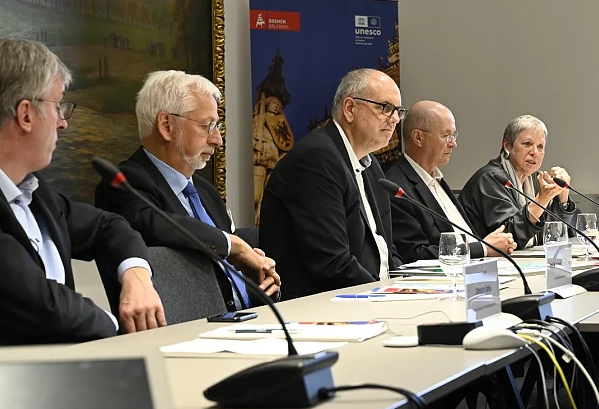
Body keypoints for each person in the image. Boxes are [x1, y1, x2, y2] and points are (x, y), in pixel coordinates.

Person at [0, 39, 165, 346]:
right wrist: (121, 331)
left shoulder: (29, 186)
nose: (64, 123)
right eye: (59, 107)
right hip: (2, 386)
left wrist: (136, 275)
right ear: (26, 114)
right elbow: (38, 304)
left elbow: (106, 226)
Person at [95, 70, 280, 312]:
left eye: (218, 126)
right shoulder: (125, 185)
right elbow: (156, 225)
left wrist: (259, 287)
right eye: (208, 126)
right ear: (166, 125)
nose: (218, 140)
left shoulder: (206, 192)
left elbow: (229, 281)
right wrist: (233, 245)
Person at [259, 69, 405, 299]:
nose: (395, 119)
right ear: (349, 109)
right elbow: (333, 264)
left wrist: (411, 289)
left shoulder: (371, 165)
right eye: (384, 108)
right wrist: (388, 298)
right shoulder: (317, 160)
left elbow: (386, 251)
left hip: (368, 299)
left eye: (398, 111)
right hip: (322, 311)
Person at [385, 101, 517, 262]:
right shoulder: (397, 188)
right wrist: (482, 248)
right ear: (418, 137)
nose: (454, 143)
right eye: (446, 136)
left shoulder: (437, 180)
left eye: (454, 135)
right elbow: (415, 254)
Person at [459, 114, 578, 249]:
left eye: (540, 147)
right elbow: (510, 239)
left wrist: (563, 199)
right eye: (527, 144)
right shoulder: (491, 179)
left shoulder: (535, 179)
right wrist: (541, 200)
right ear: (507, 146)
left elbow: (553, 237)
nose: (534, 152)